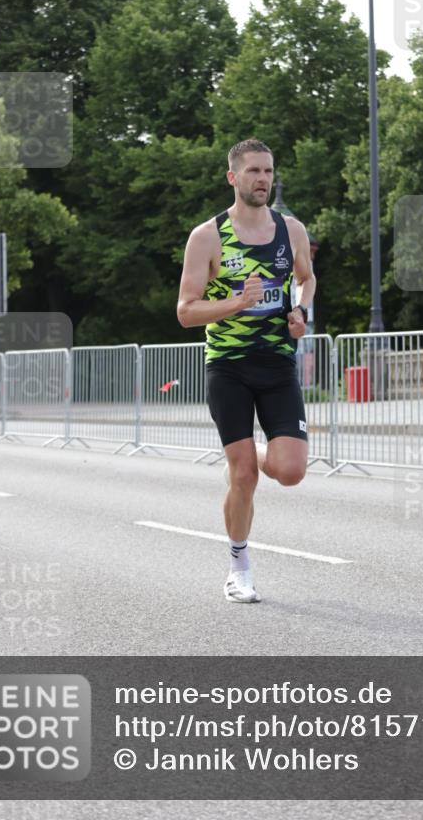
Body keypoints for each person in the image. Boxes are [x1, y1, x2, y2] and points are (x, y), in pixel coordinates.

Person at [177, 138, 317, 603]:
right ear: (233, 177)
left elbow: (306, 277)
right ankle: (239, 567)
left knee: (290, 471)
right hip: (229, 367)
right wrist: (238, 302)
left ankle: (256, 450)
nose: (263, 179)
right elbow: (185, 310)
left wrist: (301, 313)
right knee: (243, 476)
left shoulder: (290, 230)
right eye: (254, 171)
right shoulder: (208, 236)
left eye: (269, 171)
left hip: (278, 364)